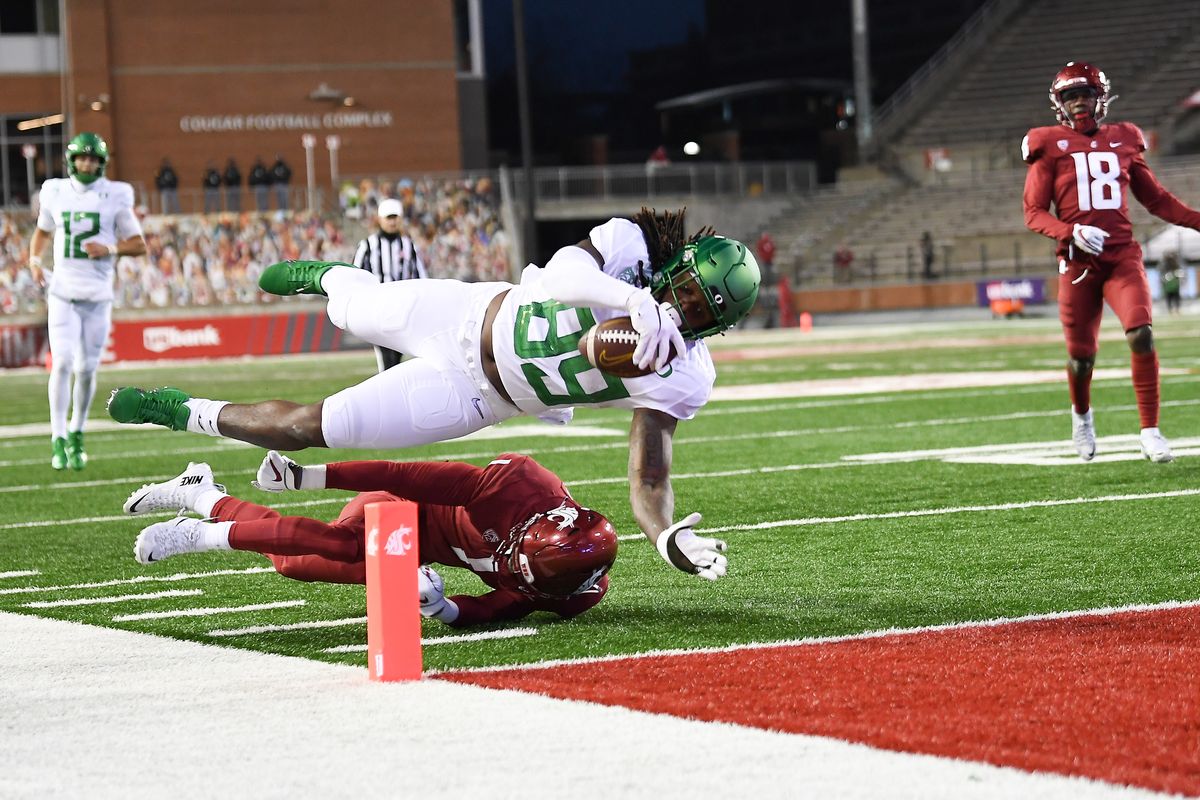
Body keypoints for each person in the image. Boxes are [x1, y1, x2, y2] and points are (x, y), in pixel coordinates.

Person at [107, 207, 757, 581]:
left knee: (311, 426)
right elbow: (562, 276)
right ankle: (333, 276)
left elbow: (649, 471)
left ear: (717, 326)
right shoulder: (634, 250)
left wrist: (666, 534)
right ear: (677, 267)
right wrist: (633, 300)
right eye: (686, 288)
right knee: (350, 310)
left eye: (702, 309)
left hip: (475, 394)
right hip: (464, 312)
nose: (684, 306)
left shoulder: (684, 373)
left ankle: (179, 410)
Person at [123, 453, 626, 627]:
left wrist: (440, 608)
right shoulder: (516, 486)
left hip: (425, 550)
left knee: (290, 565)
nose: (508, 565)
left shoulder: (572, 591)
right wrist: (308, 477)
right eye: (516, 553)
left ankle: (201, 495)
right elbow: (403, 474)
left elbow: (497, 610)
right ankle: (199, 534)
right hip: (407, 508)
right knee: (343, 544)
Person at [1022, 61, 1200, 463]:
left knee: (1142, 333)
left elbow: (1156, 200)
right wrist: (1071, 232)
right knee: (1082, 357)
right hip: (1078, 263)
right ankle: (1081, 415)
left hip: (1121, 256)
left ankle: (1150, 430)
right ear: (1059, 104)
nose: (1079, 103)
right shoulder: (1047, 144)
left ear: (1101, 99)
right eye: (1071, 96)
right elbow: (1033, 212)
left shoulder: (1124, 139)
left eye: (1085, 94)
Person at [25, 131, 148, 470]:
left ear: (101, 163)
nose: (87, 163)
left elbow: (139, 245)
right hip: (63, 292)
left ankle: (78, 430)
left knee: (87, 369)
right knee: (62, 363)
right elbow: (43, 230)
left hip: (97, 296)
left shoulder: (115, 194)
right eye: (82, 157)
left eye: (93, 158)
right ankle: (58, 436)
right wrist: (35, 261)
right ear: (72, 160)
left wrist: (109, 248)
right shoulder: (55, 190)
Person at [352, 197, 428, 371]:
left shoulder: (409, 245)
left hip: (403, 308)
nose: (393, 222)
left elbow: (421, 276)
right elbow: (356, 275)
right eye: (389, 218)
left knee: (397, 357)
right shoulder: (368, 246)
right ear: (380, 219)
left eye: (395, 217)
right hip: (379, 308)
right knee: (386, 360)